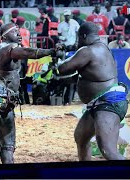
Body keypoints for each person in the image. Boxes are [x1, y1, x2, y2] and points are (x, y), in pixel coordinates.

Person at [0, 23, 56, 164]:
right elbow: (28, 52)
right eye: (14, 31)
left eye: (19, 31)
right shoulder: (9, 48)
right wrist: (50, 52)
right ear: (4, 36)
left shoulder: (1, 48)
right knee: (7, 145)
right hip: (0, 104)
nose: (19, 34)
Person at [54, 22, 128, 160]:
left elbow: (63, 68)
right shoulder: (103, 47)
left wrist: (58, 57)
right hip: (101, 103)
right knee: (81, 137)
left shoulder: (87, 51)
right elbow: (90, 75)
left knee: (108, 150)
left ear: (83, 36)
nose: (78, 42)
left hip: (108, 103)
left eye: (78, 38)